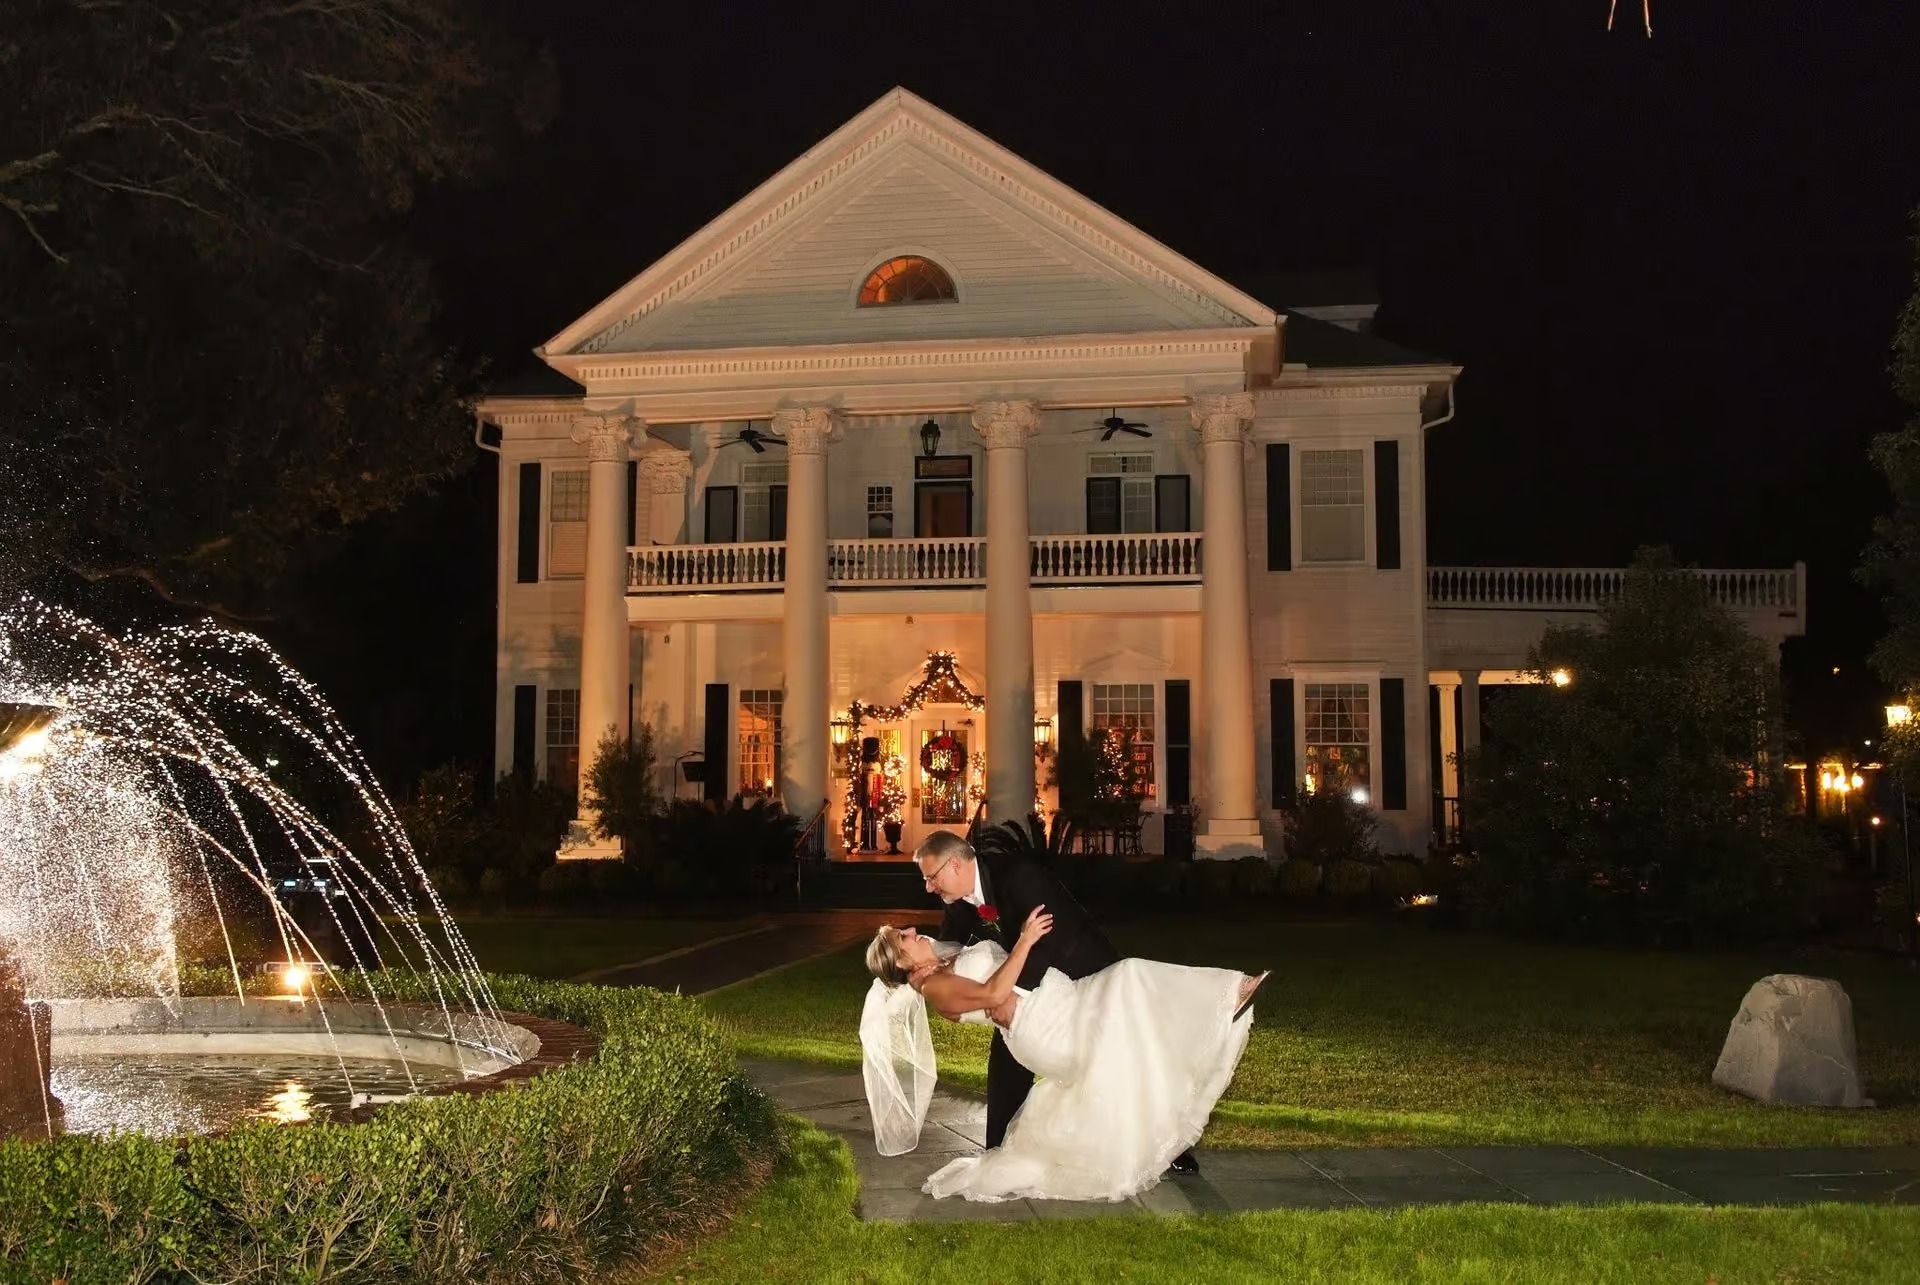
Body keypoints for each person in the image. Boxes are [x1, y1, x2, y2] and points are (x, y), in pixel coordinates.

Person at [861, 906, 1266, 1203]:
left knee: (1135, 1028)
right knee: (1129, 977)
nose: (913, 930)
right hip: (1044, 1029)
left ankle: (1217, 1011)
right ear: (900, 961)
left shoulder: (942, 963)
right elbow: (993, 995)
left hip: (1056, 1005)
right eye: (904, 937)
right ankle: (1228, 997)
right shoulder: (933, 989)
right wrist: (1026, 938)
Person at [915, 828, 1204, 1174]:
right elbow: (951, 943)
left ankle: (1170, 1148)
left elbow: (1048, 940)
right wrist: (922, 970)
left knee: (1118, 1061)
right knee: (1008, 1056)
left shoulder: (1019, 876)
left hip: (1084, 972)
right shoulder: (959, 900)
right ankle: (997, 1152)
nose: (929, 887)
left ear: (957, 864)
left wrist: (1011, 995)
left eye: (932, 877)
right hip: (1039, 988)